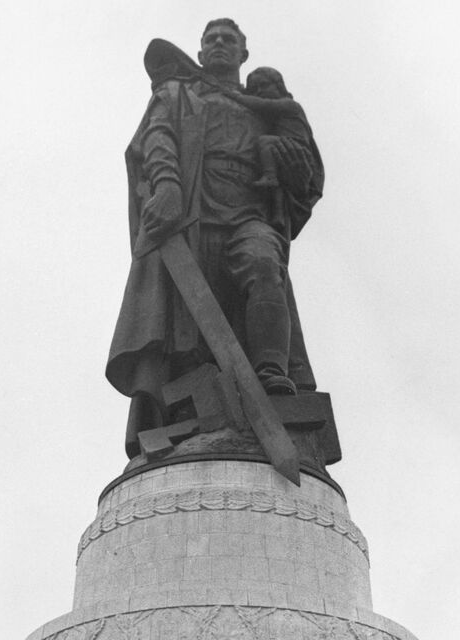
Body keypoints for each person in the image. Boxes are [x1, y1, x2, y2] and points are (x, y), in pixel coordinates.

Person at [107, 18, 324, 456]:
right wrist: (166, 184)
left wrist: (292, 162)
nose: (220, 44)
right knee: (186, 321)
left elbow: (305, 173)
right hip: (193, 212)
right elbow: (158, 139)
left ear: (244, 54)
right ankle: (193, 419)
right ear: (202, 52)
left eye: (230, 40)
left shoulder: (266, 106)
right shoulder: (177, 93)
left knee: (265, 266)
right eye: (211, 40)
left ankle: (270, 376)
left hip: (249, 210)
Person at [222, 67, 314, 189]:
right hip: (283, 147)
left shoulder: (289, 105)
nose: (259, 91)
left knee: (265, 141)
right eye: (254, 90)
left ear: (279, 86)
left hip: (294, 148)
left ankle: (270, 176)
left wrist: (237, 96)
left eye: (264, 85)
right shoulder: (268, 115)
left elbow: (261, 104)